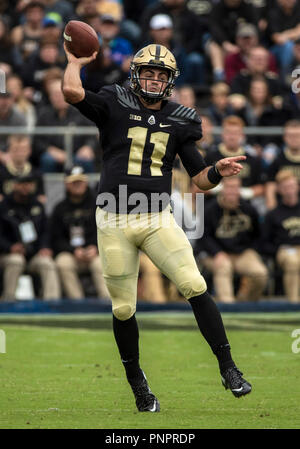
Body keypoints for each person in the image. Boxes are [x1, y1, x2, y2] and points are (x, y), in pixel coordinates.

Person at [62, 42, 252, 412]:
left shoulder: (181, 118)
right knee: (123, 309)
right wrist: (74, 62)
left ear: (169, 81)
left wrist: (217, 170)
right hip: (114, 217)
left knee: (195, 285)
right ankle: (138, 385)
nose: (152, 79)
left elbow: (199, 179)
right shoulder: (115, 101)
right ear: (135, 75)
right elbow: (72, 92)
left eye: (160, 74)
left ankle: (229, 368)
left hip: (155, 216)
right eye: (147, 72)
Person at [200, 176, 268, 303]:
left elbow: (259, 234)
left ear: (240, 190)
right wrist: (217, 252)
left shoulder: (249, 208)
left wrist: (252, 250)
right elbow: (203, 237)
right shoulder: (210, 209)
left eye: (235, 187)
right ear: (222, 189)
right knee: (223, 267)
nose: (232, 191)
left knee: (260, 273)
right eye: (229, 187)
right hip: (215, 254)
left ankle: (246, 304)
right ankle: (228, 306)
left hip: (242, 253)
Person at [50, 166, 109, 299]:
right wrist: (73, 250)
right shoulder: (59, 208)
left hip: (94, 253)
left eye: (80, 181)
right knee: (62, 263)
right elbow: (56, 238)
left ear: (86, 182)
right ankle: (77, 302)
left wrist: (95, 247)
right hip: (72, 254)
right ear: (66, 184)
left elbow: (106, 231)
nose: (78, 185)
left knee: (100, 264)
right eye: (74, 182)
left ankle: (108, 303)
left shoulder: (98, 205)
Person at [0, 175, 61, 301]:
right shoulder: (4, 206)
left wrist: (44, 247)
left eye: (29, 184)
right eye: (22, 183)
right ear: (14, 185)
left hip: (34, 253)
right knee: (16, 261)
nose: (25, 187)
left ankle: (52, 303)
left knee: (47, 263)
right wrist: (10, 247)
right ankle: (8, 301)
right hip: (9, 254)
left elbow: (46, 231)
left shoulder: (37, 205)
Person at [262, 170, 300, 303]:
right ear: (279, 190)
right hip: (284, 250)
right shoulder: (273, 215)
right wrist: (276, 250)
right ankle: (294, 305)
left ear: (297, 187)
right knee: (293, 262)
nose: (289, 191)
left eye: (292, 186)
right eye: (285, 187)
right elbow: (264, 242)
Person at [265, 120, 300, 210]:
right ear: (285, 138)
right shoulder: (277, 161)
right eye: (291, 136)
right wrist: (272, 210)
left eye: (297, 135)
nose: (294, 139)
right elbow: (270, 186)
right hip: (283, 207)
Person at [0, 135, 45, 203]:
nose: (20, 153)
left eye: (23, 149)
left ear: (29, 150)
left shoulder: (36, 173)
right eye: (16, 149)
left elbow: (42, 199)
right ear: (9, 150)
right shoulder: (1, 173)